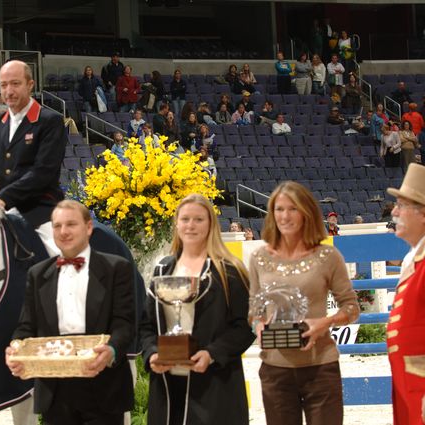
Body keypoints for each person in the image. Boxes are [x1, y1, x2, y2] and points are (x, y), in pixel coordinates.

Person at [6, 200, 135, 425]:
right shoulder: (37, 274)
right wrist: (16, 347)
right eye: (57, 226)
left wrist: (112, 350)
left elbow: (125, 323)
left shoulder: (117, 268)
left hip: (103, 386)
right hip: (55, 391)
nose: (63, 232)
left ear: (88, 227)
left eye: (71, 224)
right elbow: (26, 326)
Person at [249, 181, 360, 425]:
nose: (285, 216)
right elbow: (254, 309)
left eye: (292, 209)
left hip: (321, 367)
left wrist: (325, 322)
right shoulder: (259, 257)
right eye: (279, 209)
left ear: (306, 212)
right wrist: (258, 326)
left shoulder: (328, 256)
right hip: (275, 370)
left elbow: (351, 307)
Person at [140, 194, 253, 424]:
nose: (190, 225)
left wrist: (211, 354)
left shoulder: (229, 271)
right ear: (177, 223)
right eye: (185, 219)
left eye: (198, 219)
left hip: (214, 386)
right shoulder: (162, 269)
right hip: (167, 387)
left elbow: (245, 327)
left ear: (211, 224)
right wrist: (152, 353)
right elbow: (146, 325)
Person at [0, 60, 68, 231]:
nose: (8, 91)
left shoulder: (50, 121)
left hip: (42, 210)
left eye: (15, 84)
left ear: (30, 85)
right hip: (2, 210)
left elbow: (43, 172)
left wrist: (4, 198)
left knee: (54, 250)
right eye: (3, 85)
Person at [385, 163, 425, 425]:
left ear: (422, 214)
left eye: (401, 205)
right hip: (410, 386)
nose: (394, 211)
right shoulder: (415, 258)